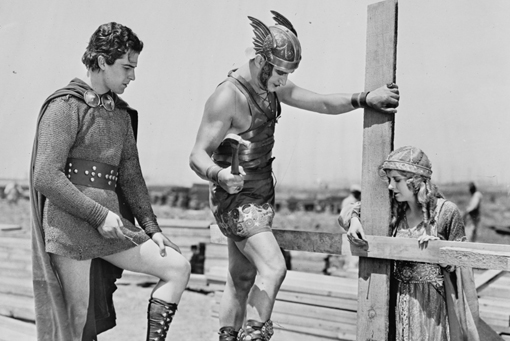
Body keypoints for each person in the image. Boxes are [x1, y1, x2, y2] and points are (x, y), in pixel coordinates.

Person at [189, 11, 399, 341]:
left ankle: (227, 336)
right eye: (280, 73)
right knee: (273, 267)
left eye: (289, 74)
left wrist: (365, 98)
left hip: (260, 194)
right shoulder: (228, 96)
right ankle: (254, 335)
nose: (284, 82)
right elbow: (196, 155)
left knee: (240, 277)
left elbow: (321, 103)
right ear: (260, 60)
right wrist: (218, 174)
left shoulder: (270, 85)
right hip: (233, 196)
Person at [30, 22, 190, 341]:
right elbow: (45, 175)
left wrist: (152, 228)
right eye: (127, 67)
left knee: (177, 268)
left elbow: (131, 178)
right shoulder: (65, 106)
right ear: (102, 62)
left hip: (113, 227)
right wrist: (98, 215)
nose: (132, 76)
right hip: (69, 225)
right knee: (76, 322)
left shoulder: (120, 115)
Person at [339, 146, 502, 340]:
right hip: (399, 299)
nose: (391, 186)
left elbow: (463, 266)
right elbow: (347, 211)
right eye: (390, 180)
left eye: (397, 180)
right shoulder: (393, 210)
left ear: (415, 181)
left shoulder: (446, 212)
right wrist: (355, 220)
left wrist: (439, 251)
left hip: (433, 306)